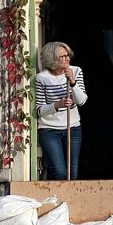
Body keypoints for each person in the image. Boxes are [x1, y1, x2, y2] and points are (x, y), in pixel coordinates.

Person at [35, 41, 88, 180]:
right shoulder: (42, 78)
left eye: (67, 55)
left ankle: (72, 201)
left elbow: (81, 101)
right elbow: (39, 110)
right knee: (59, 172)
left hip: (73, 127)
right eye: (63, 56)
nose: (67, 59)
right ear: (52, 59)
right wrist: (57, 104)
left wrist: (72, 82)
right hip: (49, 130)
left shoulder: (76, 71)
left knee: (73, 171)